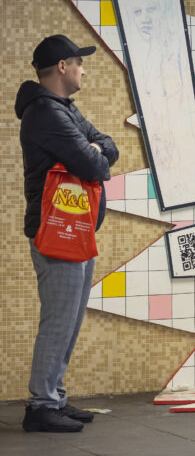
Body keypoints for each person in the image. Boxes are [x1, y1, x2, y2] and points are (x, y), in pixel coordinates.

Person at [15, 35, 119, 432]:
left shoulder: (65, 110)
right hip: (55, 233)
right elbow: (94, 166)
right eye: (79, 62)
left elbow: (109, 146)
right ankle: (40, 405)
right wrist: (93, 153)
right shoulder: (44, 112)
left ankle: (54, 397)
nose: (83, 69)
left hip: (76, 231)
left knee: (70, 319)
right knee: (59, 320)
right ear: (61, 66)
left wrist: (95, 148)